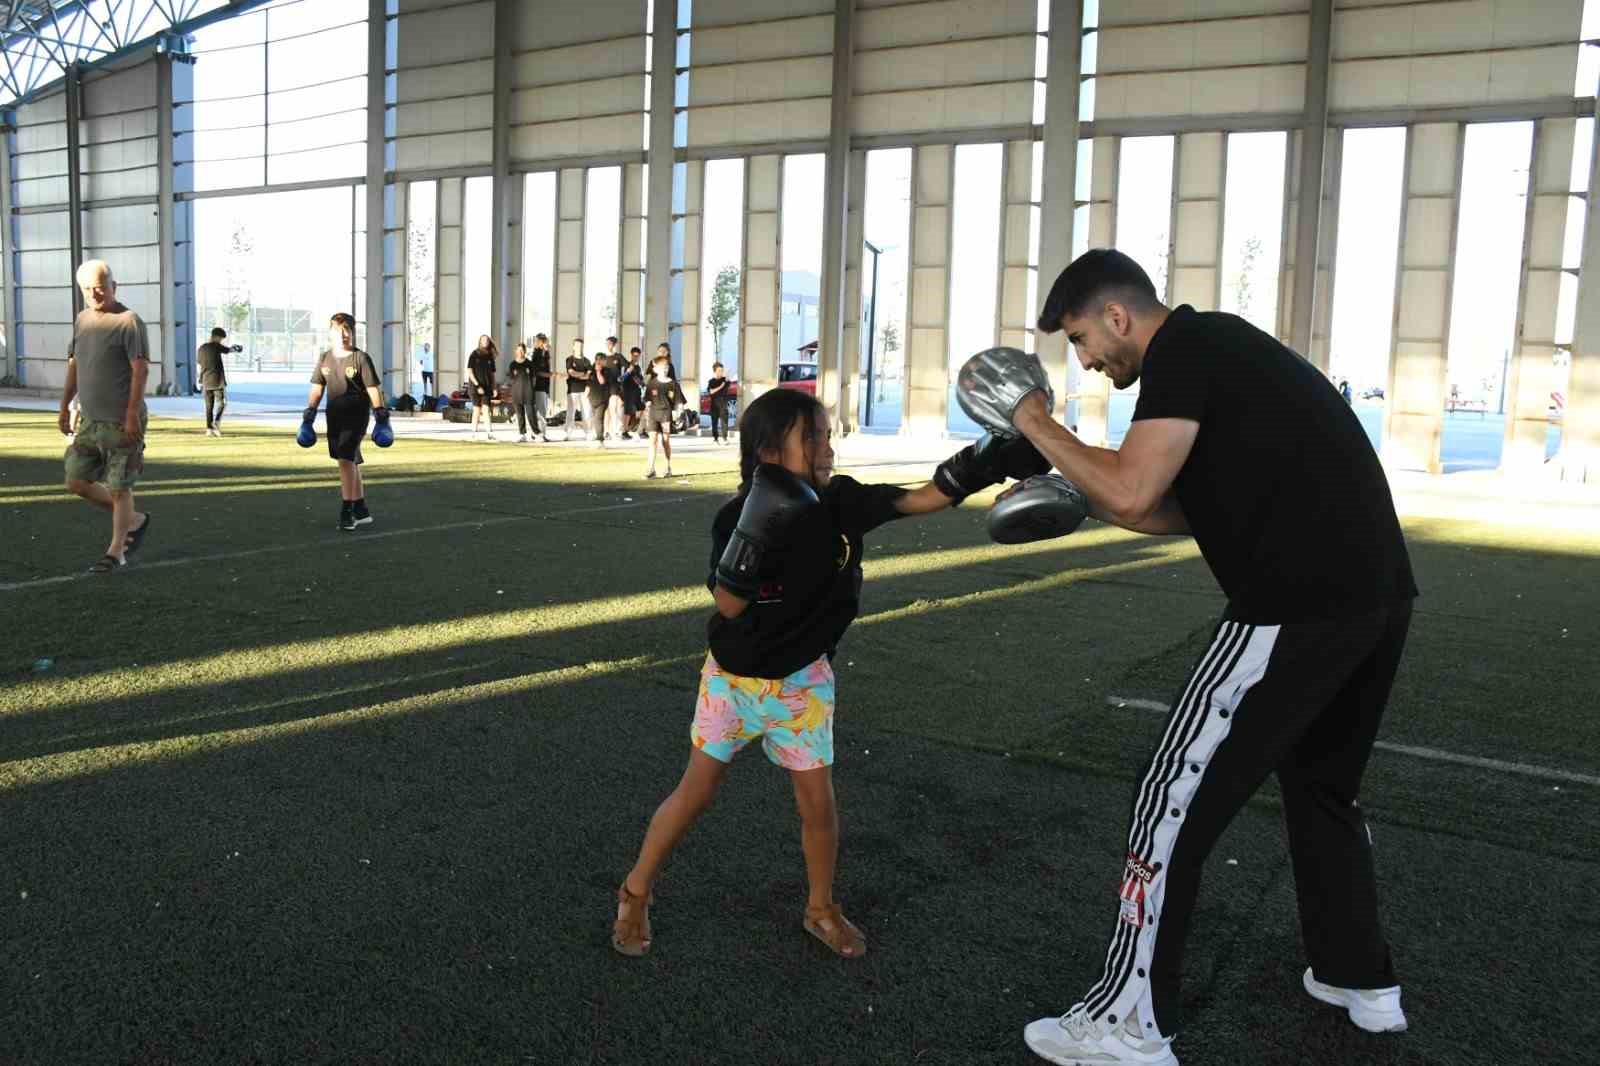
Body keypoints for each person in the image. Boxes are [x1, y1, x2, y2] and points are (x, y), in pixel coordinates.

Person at [959, 248, 1416, 1066]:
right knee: (1322, 790)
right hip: (1373, 602)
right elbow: (1173, 507)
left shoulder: (1183, 354)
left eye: (1081, 339)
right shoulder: (1225, 351)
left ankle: (1130, 1024)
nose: (1086, 361)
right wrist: (1080, 496)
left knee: (1168, 797)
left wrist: (1030, 419)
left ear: (1117, 316)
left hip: (1295, 608)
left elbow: (1135, 489)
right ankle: (1360, 979)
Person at [610, 387, 1049, 959]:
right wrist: (758, 529)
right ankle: (635, 891)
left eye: (825, 432)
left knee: (817, 805)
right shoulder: (733, 518)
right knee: (695, 791)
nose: (826, 445)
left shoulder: (839, 501)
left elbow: (919, 499)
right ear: (768, 454)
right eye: (811, 436)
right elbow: (729, 605)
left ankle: (820, 908)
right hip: (733, 682)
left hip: (802, 683)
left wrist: (985, 460)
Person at [58, 259, 153, 574]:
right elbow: (74, 365)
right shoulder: (82, 320)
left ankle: (116, 551)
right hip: (91, 420)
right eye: (87, 288)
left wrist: (131, 415)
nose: (95, 294)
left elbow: (140, 370)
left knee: (119, 487)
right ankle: (133, 519)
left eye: (100, 286)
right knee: (76, 480)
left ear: (114, 285)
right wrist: (64, 405)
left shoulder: (129, 322)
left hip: (121, 421)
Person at [305, 312, 389, 532]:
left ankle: (347, 510)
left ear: (352, 332)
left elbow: (373, 388)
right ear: (331, 332)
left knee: (345, 459)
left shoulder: (361, 358)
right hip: (334, 417)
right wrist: (309, 415)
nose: (344, 334)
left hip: (356, 416)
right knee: (350, 461)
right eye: (339, 330)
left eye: (348, 330)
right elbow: (317, 387)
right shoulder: (325, 358)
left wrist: (381, 415)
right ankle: (361, 509)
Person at [641, 347, 687, 479]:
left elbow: (679, 401)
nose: (665, 369)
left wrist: (680, 413)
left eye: (667, 367)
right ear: (655, 369)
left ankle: (667, 466)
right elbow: (647, 400)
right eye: (662, 367)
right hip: (653, 415)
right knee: (652, 440)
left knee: (665, 440)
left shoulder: (673, 384)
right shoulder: (652, 384)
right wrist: (646, 410)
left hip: (666, 415)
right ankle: (650, 468)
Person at [196, 327, 230, 437]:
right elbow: (228, 350)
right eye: (220, 339)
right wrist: (235, 348)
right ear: (216, 337)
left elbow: (199, 363)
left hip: (205, 380)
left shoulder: (201, 348)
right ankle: (216, 423)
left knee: (208, 406)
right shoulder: (216, 346)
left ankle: (209, 429)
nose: (221, 341)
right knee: (223, 403)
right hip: (217, 381)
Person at [467, 335, 499, 440]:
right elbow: (470, 371)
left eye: (487, 340)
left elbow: (492, 374)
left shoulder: (490, 356)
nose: (485, 342)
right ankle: (473, 433)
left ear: (489, 342)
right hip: (475, 387)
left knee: (486, 409)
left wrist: (494, 387)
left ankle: (489, 433)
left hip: (487, 387)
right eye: (483, 340)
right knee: (477, 409)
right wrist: (477, 385)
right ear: (480, 341)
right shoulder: (474, 354)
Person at [507, 342, 540, 442]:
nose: (520, 352)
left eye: (522, 351)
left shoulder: (529, 364)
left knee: (531, 414)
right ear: (516, 351)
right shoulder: (512, 364)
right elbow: (512, 379)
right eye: (518, 350)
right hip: (517, 393)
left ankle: (536, 433)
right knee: (520, 415)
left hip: (528, 393)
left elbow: (534, 379)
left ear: (525, 352)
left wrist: (530, 388)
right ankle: (522, 434)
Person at [564, 338, 591, 441]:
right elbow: (571, 372)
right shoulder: (569, 359)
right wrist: (582, 374)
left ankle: (588, 432)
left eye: (581, 345)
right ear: (573, 347)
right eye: (577, 345)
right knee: (571, 412)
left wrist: (579, 375)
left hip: (584, 390)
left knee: (586, 412)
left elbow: (589, 376)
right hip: (572, 390)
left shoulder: (587, 361)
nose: (579, 347)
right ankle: (568, 433)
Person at [587, 343, 613, 448]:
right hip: (592, 397)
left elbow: (602, 382)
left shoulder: (607, 371)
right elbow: (587, 382)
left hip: (602, 398)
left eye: (601, 360)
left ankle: (600, 440)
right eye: (597, 359)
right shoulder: (591, 370)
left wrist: (598, 372)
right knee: (595, 418)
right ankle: (597, 435)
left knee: (599, 418)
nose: (599, 362)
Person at [530, 333, 553, 441]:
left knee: (543, 410)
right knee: (541, 411)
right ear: (541, 343)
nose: (548, 344)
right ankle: (540, 434)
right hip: (538, 386)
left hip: (545, 386)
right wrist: (552, 375)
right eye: (546, 342)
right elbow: (538, 372)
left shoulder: (546, 355)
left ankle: (538, 433)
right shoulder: (537, 355)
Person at [621, 346, 645, 438]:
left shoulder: (638, 368)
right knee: (628, 412)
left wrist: (643, 384)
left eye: (638, 356)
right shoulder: (626, 365)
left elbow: (641, 380)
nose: (636, 357)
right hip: (628, 391)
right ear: (631, 355)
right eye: (634, 355)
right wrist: (628, 372)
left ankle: (640, 430)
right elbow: (622, 379)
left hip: (637, 392)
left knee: (643, 409)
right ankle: (624, 431)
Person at [706, 362, 731, 444]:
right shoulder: (711, 382)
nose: (721, 372)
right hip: (714, 405)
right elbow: (711, 391)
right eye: (719, 370)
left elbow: (727, 380)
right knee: (714, 423)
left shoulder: (725, 380)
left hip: (723, 404)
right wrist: (720, 386)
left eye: (722, 370)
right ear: (715, 371)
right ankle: (715, 438)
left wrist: (727, 375)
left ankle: (725, 438)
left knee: (724, 422)